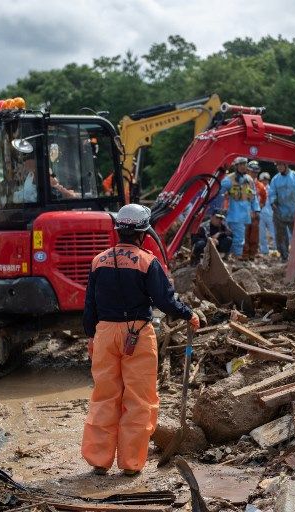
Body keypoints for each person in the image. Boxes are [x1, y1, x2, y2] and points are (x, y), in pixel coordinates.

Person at [82, 204, 200, 476]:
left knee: (104, 396)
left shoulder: (98, 261)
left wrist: (91, 336)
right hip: (136, 334)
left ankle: (99, 460)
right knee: (138, 399)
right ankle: (131, 463)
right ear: (143, 233)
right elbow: (165, 301)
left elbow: (90, 307)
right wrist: (188, 313)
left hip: (104, 334)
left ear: (119, 230)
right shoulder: (147, 261)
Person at [220, 157, 261, 258]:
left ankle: (229, 256)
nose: (243, 166)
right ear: (236, 166)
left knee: (236, 236)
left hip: (245, 214)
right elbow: (219, 190)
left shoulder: (249, 179)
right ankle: (237, 256)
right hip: (234, 213)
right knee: (238, 237)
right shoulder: (229, 179)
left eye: (244, 164)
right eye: (241, 164)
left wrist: (256, 209)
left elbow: (253, 196)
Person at [268, 162, 295, 261]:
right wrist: (273, 202)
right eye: (277, 165)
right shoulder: (275, 179)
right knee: (280, 236)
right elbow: (272, 193)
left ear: (286, 165)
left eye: (280, 165)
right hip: (279, 212)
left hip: (294, 211)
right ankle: (284, 255)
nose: (279, 167)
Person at [242, 160, 267, 259]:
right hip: (244, 213)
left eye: (256, 172)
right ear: (248, 171)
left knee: (254, 234)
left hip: (255, 214)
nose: (254, 174)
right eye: (253, 171)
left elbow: (263, 199)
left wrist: (257, 210)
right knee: (244, 233)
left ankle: (252, 253)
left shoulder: (261, 186)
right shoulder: (242, 183)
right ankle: (244, 253)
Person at [258, 172, 276, 255]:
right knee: (262, 234)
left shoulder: (272, 189)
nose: (265, 182)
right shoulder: (258, 189)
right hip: (260, 214)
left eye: (266, 180)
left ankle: (277, 249)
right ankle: (264, 250)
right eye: (263, 180)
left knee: (274, 233)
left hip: (270, 214)